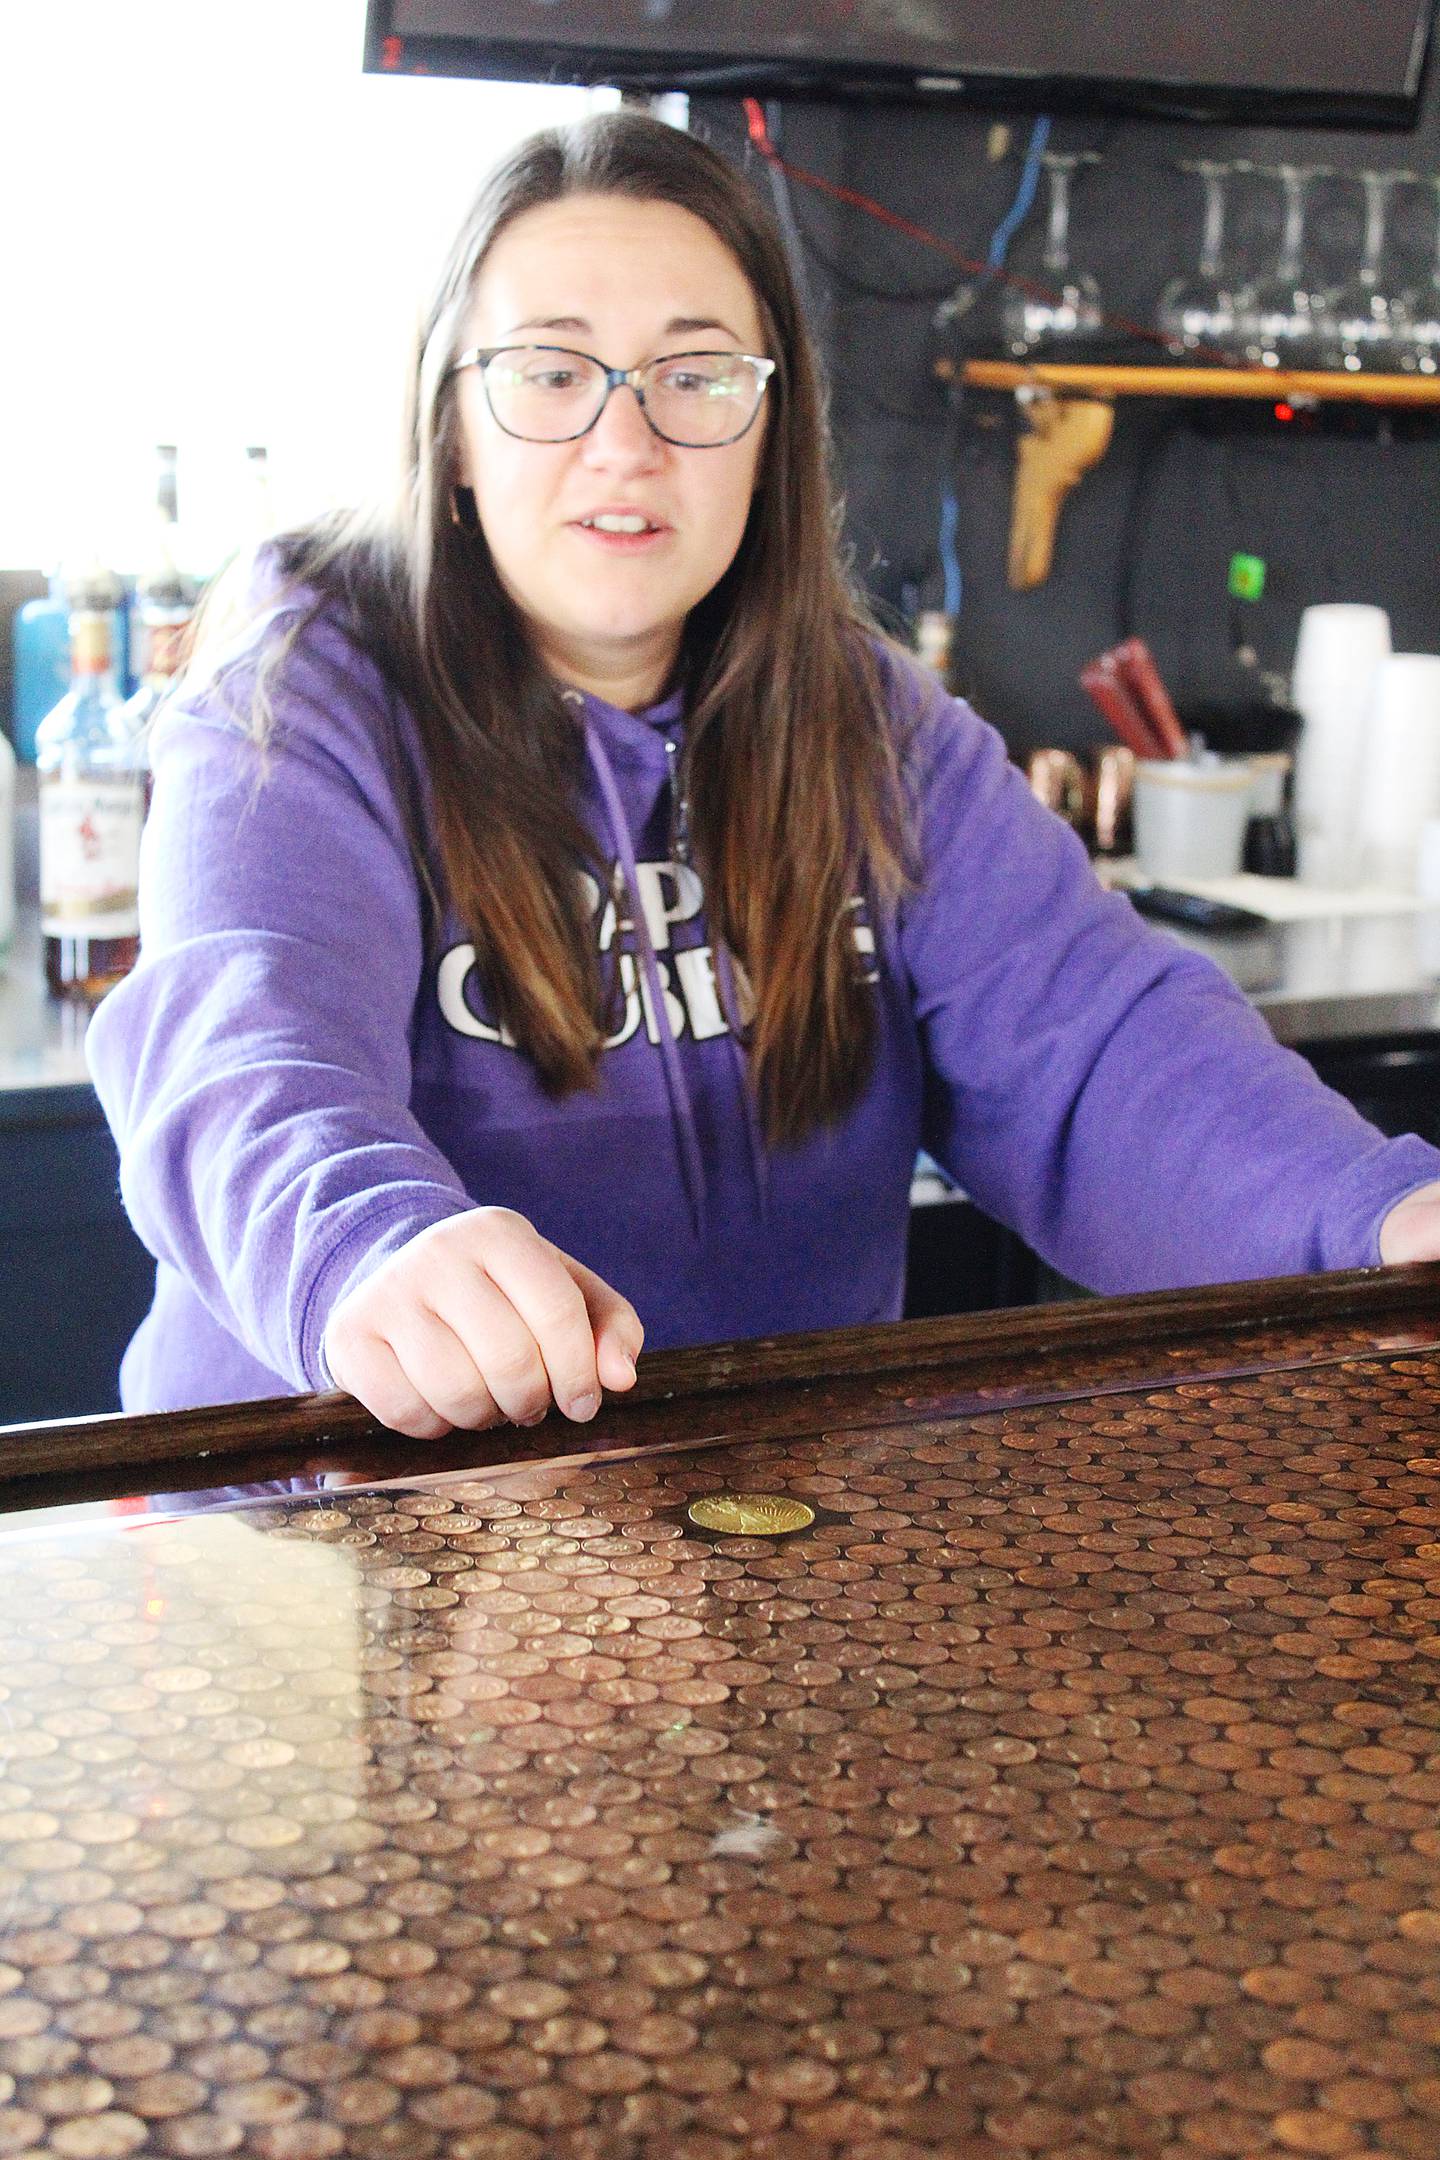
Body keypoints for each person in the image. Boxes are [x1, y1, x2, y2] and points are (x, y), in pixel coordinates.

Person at [88, 108, 1440, 1438]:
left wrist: (1375, 1216)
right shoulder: (301, 694)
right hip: (334, 1521)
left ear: (769, 427)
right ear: (451, 427)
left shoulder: (871, 722)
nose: (625, 441)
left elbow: (1098, 1051)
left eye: (695, 376)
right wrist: (366, 1247)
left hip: (771, 1520)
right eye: (551, 372)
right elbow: (246, 1048)